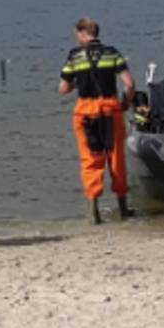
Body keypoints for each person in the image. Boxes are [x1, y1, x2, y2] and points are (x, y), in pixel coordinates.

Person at [58, 18, 136, 224]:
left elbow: (63, 89)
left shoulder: (74, 56)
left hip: (85, 111)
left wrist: (76, 84)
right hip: (110, 109)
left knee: (90, 160)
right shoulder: (112, 53)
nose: (76, 38)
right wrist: (126, 103)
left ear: (83, 32)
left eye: (77, 34)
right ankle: (124, 209)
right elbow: (129, 84)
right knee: (116, 159)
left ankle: (95, 214)